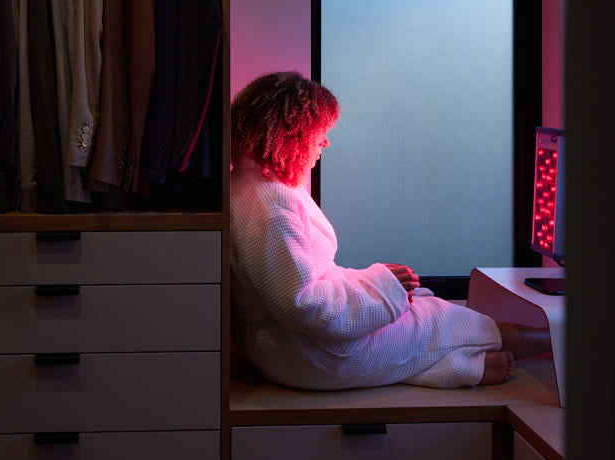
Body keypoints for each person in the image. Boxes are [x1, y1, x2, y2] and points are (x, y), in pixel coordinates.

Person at [229, 71, 550, 390]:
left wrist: (374, 281)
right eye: (319, 132)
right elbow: (301, 305)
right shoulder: (272, 206)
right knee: (436, 320)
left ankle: (464, 368)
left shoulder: (250, 185)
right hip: (305, 353)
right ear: (292, 133)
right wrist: (383, 290)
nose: (325, 142)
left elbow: (301, 283)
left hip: (279, 346)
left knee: (420, 306)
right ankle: (557, 340)